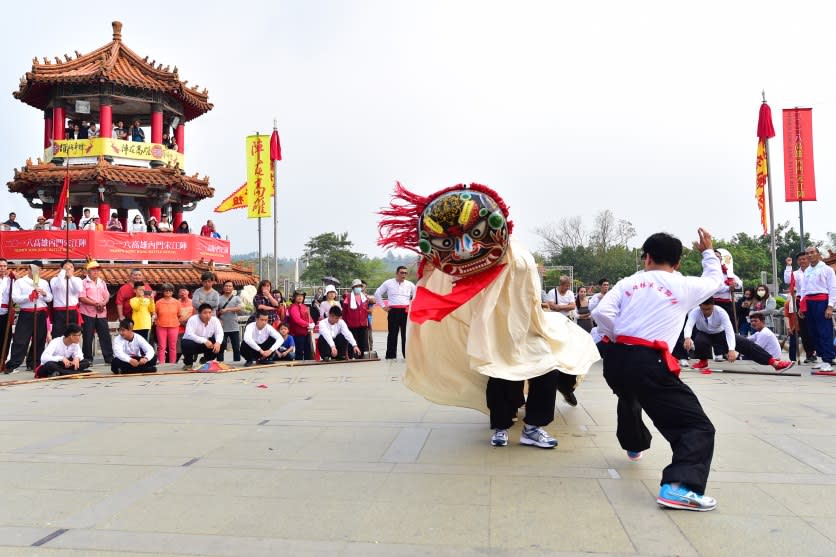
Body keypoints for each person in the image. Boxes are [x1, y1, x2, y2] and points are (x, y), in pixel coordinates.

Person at [378, 183, 597, 450]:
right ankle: (501, 427)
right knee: (499, 374)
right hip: (491, 328)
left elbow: (529, 296)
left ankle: (533, 427)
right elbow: (446, 277)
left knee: (545, 369)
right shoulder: (468, 265)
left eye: (474, 233)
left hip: (526, 326)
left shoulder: (519, 255)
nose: (466, 246)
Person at [591, 229, 722, 511]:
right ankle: (679, 487)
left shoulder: (627, 282)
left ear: (646, 258)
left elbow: (600, 313)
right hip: (648, 361)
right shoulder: (683, 285)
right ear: (677, 264)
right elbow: (715, 280)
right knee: (696, 427)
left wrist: (619, 336)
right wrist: (707, 252)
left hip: (615, 360)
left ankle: (633, 443)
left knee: (630, 396)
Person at [682, 299, 793, 372]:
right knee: (699, 340)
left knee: (747, 344)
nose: (706, 312)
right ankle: (703, 361)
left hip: (720, 333)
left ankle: (774, 363)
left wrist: (731, 349)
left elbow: (729, 331)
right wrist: (687, 337)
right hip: (704, 333)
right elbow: (689, 325)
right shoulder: (695, 312)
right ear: (700, 306)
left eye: (709, 309)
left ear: (713, 306)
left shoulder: (721, 312)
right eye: (703, 309)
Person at [5, 265, 52, 374]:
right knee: (20, 339)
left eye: (40, 270)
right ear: (29, 270)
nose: (38, 272)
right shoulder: (20, 282)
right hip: (26, 313)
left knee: (40, 339)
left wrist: (44, 293)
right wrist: (29, 296)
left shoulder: (44, 282)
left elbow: (50, 298)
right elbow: (15, 298)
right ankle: (13, 364)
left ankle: (34, 363)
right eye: (35, 269)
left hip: (40, 312)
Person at [799, 246, 835, 372]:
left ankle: (829, 359)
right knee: (813, 332)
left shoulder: (827, 269)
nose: (809, 255)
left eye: (812, 252)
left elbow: (832, 288)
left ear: (818, 254)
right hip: (809, 302)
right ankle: (821, 358)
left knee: (824, 331)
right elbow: (803, 290)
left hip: (822, 301)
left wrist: (830, 306)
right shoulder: (807, 271)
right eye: (807, 253)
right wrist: (802, 306)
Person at [373, 266, 415, 360]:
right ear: (396, 273)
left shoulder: (410, 284)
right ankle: (390, 356)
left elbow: (417, 295)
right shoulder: (388, 283)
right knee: (392, 334)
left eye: (405, 273)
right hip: (393, 311)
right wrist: (383, 306)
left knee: (406, 334)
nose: (403, 275)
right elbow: (377, 293)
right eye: (402, 272)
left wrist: (412, 307)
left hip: (405, 311)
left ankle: (407, 355)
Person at [79, 260, 113, 365]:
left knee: (105, 335)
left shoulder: (102, 282)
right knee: (88, 336)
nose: (96, 272)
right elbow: (82, 297)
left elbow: (107, 295)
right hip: (88, 313)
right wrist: (96, 304)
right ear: (88, 271)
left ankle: (109, 357)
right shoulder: (83, 283)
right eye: (93, 270)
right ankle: (88, 358)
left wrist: (103, 303)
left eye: (97, 270)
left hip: (101, 312)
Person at [784, 252, 815, 363]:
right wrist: (788, 265)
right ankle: (809, 354)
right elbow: (788, 280)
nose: (802, 261)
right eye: (800, 259)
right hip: (799, 301)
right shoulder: (795, 273)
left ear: (808, 259)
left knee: (814, 328)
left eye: (804, 259)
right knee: (804, 330)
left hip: (813, 300)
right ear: (797, 261)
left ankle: (815, 350)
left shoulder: (814, 271)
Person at [181, 303, 223, 370]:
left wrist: (218, 342)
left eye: (210, 312)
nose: (208, 315)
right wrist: (204, 340)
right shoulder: (193, 319)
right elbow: (189, 334)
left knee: (222, 342)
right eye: (205, 313)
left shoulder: (215, 320)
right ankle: (188, 363)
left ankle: (207, 360)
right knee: (186, 343)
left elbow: (219, 333)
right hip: (194, 343)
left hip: (207, 344)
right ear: (199, 313)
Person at [49, 259, 84, 338]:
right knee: (57, 335)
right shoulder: (54, 280)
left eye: (71, 267)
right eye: (66, 267)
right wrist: (63, 273)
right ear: (61, 269)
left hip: (72, 311)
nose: (69, 269)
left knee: (73, 335)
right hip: (59, 312)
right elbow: (58, 286)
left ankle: (72, 350)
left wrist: (70, 276)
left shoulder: (77, 280)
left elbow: (79, 289)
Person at [710, 249, 742, 326]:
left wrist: (735, 284)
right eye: (715, 257)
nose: (717, 258)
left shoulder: (727, 271)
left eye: (719, 257)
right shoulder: (709, 272)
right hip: (713, 302)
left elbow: (739, 282)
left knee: (730, 323)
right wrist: (728, 288)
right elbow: (714, 287)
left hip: (727, 302)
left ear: (721, 259)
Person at [342, 278, 372, 354]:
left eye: (359, 286)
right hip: (352, 324)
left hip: (363, 323)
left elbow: (369, 307)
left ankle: (362, 355)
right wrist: (345, 323)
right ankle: (352, 355)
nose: (358, 288)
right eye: (356, 286)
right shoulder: (348, 298)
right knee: (353, 340)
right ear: (353, 288)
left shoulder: (365, 297)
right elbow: (344, 312)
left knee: (363, 340)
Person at [153, 283, 180, 364]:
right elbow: (155, 313)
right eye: (166, 290)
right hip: (161, 326)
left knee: (173, 346)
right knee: (161, 346)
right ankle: (161, 363)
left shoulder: (177, 302)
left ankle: (172, 363)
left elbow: (179, 314)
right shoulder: (158, 302)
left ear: (172, 292)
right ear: (163, 291)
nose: (168, 292)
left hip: (174, 326)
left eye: (170, 290)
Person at [217, 280, 243, 363]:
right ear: (223, 287)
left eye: (230, 286)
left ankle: (237, 363)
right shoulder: (219, 299)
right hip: (222, 327)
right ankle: (220, 363)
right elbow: (214, 311)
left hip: (234, 327)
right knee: (221, 347)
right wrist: (218, 319)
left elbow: (239, 308)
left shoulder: (236, 298)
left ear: (233, 288)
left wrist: (227, 309)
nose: (228, 287)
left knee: (236, 347)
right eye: (226, 286)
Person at [288, 290, 314, 360]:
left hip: (306, 331)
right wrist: (307, 324)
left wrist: (312, 323)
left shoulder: (304, 306)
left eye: (302, 296)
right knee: (299, 352)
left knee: (308, 351)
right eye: (298, 296)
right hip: (297, 333)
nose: (300, 297)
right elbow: (297, 319)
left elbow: (309, 316)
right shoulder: (293, 307)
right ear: (294, 297)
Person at [0, 258, 13, 364]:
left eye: (4, 266)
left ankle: (3, 360)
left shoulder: (10, 280)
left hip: (5, 312)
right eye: (0, 266)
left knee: (5, 336)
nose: (2, 268)